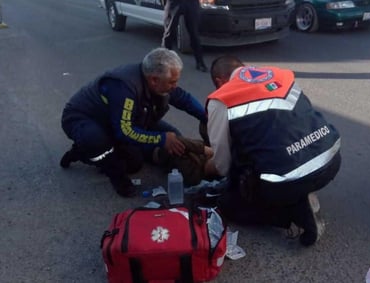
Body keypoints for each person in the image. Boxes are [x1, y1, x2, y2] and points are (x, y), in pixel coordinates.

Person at [203, 55, 342, 246]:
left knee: (228, 204)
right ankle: (298, 192)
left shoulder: (222, 98)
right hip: (330, 159)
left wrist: (211, 167)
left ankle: (295, 212)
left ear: (219, 81)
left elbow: (223, 165)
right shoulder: (279, 75)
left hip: (289, 179)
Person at [60, 47, 207, 198]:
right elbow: (125, 131)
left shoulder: (157, 79)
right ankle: (85, 154)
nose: (175, 86)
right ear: (154, 80)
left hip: (124, 119)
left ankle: (115, 147)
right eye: (172, 82)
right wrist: (161, 139)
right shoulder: (125, 88)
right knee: (113, 152)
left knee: (174, 139)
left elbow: (184, 99)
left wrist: (207, 117)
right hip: (84, 120)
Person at [161, 0, 207, 72]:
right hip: (174, 2)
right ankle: (165, 63)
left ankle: (200, 62)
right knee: (169, 33)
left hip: (192, 3)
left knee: (194, 33)